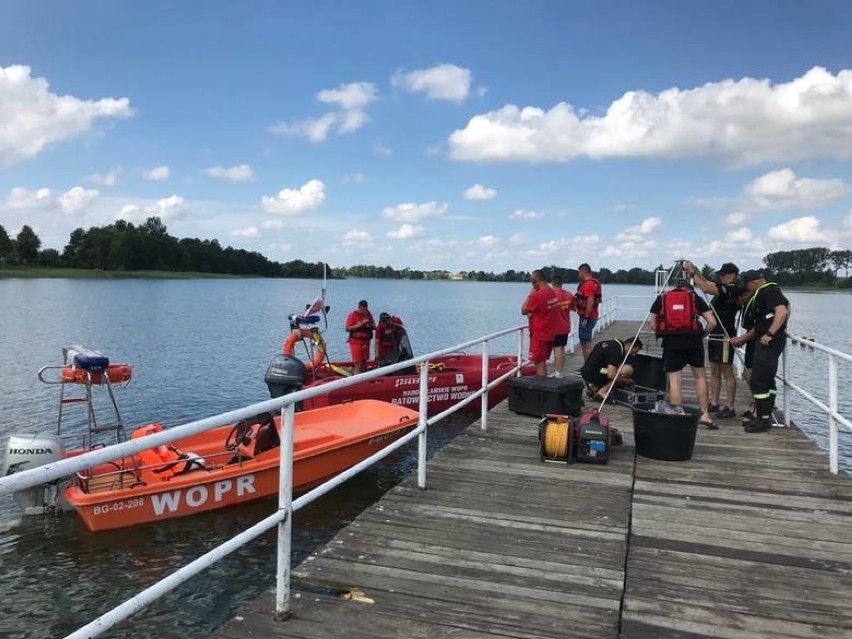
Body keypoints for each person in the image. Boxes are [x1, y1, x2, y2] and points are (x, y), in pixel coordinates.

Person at [649, 278, 718, 429]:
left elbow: (653, 323)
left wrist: (664, 332)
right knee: (700, 376)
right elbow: (712, 322)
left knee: (675, 379)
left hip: (671, 341)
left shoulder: (662, 298)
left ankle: (677, 414)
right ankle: (705, 414)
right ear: (689, 290)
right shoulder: (695, 298)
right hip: (694, 341)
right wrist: (702, 335)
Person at [731, 270, 790, 433]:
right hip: (763, 339)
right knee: (767, 380)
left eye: (747, 285)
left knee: (758, 380)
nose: (747, 289)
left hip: (769, 341)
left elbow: (783, 311)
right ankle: (763, 416)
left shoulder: (768, 291)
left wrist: (770, 333)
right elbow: (763, 320)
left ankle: (763, 420)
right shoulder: (764, 293)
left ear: (755, 282)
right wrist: (744, 338)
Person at [683, 261, 741, 419]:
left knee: (726, 370)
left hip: (725, 335)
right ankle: (714, 402)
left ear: (731, 275)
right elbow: (707, 283)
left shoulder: (732, 289)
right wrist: (694, 270)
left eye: (723, 275)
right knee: (714, 370)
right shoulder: (722, 288)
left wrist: (693, 274)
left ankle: (730, 405)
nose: (720, 277)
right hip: (715, 334)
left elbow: (707, 288)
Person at [580, 336, 642, 402]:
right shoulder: (616, 350)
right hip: (595, 372)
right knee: (627, 370)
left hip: (591, 370)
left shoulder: (613, 343)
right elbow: (611, 375)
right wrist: (626, 381)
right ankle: (602, 391)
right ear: (630, 346)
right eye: (634, 352)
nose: (633, 355)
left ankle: (595, 387)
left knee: (615, 370)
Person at [521, 269, 557, 376]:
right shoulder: (552, 292)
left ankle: (542, 389)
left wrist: (530, 294)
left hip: (539, 335)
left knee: (539, 364)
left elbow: (523, 310)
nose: (532, 285)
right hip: (549, 333)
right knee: (543, 363)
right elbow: (543, 309)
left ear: (535, 281)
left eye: (532, 282)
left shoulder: (538, 295)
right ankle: (544, 387)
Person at [549, 275, 575, 378]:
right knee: (561, 348)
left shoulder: (549, 295)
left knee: (557, 349)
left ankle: (558, 373)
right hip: (565, 325)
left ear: (552, 283)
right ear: (562, 283)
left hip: (554, 327)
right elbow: (573, 308)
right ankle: (558, 371)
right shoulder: (569, 295)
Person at [575, 263, 602, 362]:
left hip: (587, 317)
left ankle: (588, 367)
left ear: (583, 272)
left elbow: (590, 301)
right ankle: (589, 365)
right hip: (592, 315)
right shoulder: (594, 283)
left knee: (585, 343)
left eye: (579, 273)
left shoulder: (588, 285)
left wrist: (585, 318)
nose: (578, 275)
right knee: (587, 342)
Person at [345, 299, 375, 374]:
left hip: (366, 342)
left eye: (366, 310)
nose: (364, 312)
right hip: (356, 342)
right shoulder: (352, 315)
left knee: (364, 363)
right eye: (362, 310)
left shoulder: (368, 314)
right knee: (358, 363)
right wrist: (361, 323)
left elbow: (374, 326)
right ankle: (356, 378)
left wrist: (369, 325)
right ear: (359, 308)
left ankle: (364, 379)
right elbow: (347, 328)